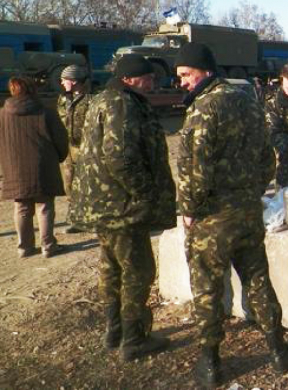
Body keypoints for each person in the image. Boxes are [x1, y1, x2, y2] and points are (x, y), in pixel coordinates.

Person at [175, 42, 288, 387]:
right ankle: (279, 351)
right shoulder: (249, 102)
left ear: (204, 71)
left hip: (212, 218)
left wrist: (189, 211)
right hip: (247, 212)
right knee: (258, 279)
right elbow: (267, 160)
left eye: (185, 74)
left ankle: (211, 365)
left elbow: (194, 171)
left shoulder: (202, 109)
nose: (181, 82)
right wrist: (251, 191)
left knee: (207, 289)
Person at [69, 54, 176, 361]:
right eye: (149, 78)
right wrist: (145, 194)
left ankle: (114, 330)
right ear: (130, 79)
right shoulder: (122, 104)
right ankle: (134, 338)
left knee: (112, 269)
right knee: (138, 271)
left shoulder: (104, 100)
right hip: (122, 207)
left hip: (105, 205)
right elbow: (120, 157)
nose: (153, 82)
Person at [0, 76, 68, 258]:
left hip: (14, 168)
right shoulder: (46, 112)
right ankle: (48, 246)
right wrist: (60, 157)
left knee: (21, 207)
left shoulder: (2, 114)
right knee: (44, 206)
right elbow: (61, 139)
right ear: (33, 89)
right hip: (44, 165)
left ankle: (24, 248)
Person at [56, 64, 91, 234]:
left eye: (64, 80)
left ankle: (90, 218)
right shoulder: (63, 99)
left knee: (87, 184)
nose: (61, 83)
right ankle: (76, 219)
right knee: (69, 185)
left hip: (85, 148)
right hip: (68, 149)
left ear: (74, 81)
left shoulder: (90, 99)